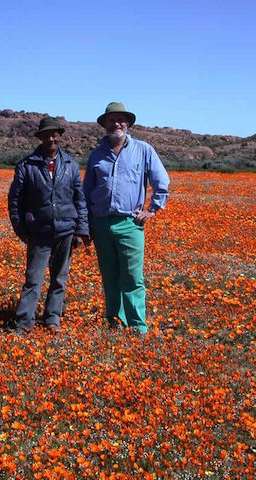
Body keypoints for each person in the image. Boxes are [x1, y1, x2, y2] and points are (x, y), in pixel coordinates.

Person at [83, 102, 169, 335]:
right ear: (105, 125)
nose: (116, 123)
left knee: (132, 277)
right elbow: (86, 191)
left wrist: (152, 209)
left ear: (128, 123)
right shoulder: (97, 155)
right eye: (112, 120)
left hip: (130, 223)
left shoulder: (143, 150)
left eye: (121, 119)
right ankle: (115, 321)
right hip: (100, 224)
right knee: (109, 277)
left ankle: (137, 326)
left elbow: (161, 181)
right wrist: (86, 224)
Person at [8, 117, 89, 334]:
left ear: (60, 136)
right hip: (39, 232)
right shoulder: (27, 165)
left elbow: (79, 199)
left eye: (54, 134)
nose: (51, 138)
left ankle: (53, 319)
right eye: (46, 135)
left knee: (59, 279)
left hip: (66, 231)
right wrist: (20, 228)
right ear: (41, 138)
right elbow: (15, 200)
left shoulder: (71, 165)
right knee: (33, 280)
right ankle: (24, 322)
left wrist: (81, 230)